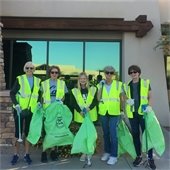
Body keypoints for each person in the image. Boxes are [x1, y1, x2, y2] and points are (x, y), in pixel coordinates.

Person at [123, 65, 156, 170]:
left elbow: (150, 96)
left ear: (139, 73)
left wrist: (149, 107)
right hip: (133, 115)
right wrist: (127, 100)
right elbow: (124, 96)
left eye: (135, 72)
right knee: (136, 135)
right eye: (131, 72)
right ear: (129, 74)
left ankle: (150, 158)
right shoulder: (127, 85)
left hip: (143, 114)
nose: (133, 74)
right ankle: (139, 156)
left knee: (147, 135)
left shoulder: (145, 83)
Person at [10, 61, 41, 165]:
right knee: (17, 133)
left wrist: (39, 103)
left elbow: (40, 94)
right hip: (19, 110)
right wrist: (16, 104)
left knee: (28, 133)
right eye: (27, 68)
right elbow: (12, 93)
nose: (29, 70)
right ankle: (15, 155)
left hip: (31, 111)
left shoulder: (38, 81)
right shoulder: (20, 79)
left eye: (31, 68)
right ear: (24, 69)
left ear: (34, 69)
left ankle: (27, 155)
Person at [40, 65, 68, 163]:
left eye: (56, 72)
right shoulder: (44, 83)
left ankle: (53, 152)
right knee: (46, 132)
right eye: (52, 72)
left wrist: (61, 101)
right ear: (49, 73)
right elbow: (41, 97)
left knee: (55, 131)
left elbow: (64, 96)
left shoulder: (62, 83)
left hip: (57, 111)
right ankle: (44, 152)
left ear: (58, 74)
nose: (54, 74)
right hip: (47, 111)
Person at [97, 66, 123, 165]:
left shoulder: (118, 84)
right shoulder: (101, 84)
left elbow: (122, 98)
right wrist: (101, 86)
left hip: (114, 112)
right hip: (103, 112)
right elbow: (98, 98)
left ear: (114, 74)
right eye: (107, 72)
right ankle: (107, 152)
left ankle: (114, 155)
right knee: (106, 133)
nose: (109, 74)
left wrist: (122, 110)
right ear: (104, 73)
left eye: (111, 73)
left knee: (113, 133)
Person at [70, 72, 98, 164]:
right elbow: (72, 103)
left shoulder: (93, 89)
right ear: (79, 80)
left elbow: (95, 101)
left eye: (84, 78)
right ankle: (84, 153)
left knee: (90, 135)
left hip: (91, 116)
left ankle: (89, 152)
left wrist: (89, 108)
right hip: (81, 116)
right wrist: (80, 111)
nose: (83, 80)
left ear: (87, 80)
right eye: (81, 78)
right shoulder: (74, 90)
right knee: (83, 136)